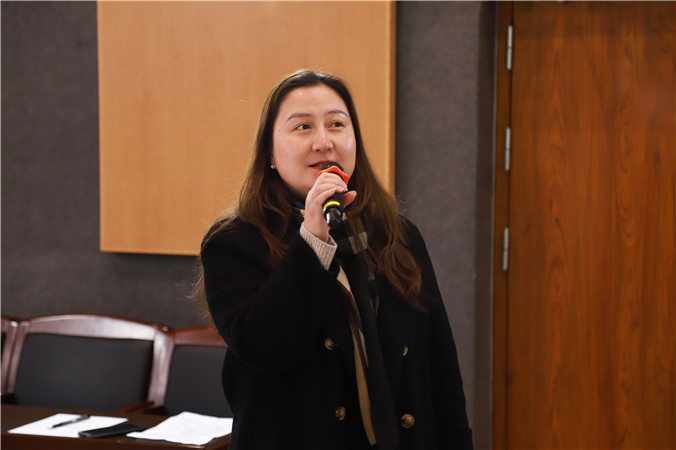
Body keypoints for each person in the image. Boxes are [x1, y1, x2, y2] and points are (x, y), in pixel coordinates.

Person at [194, 69, 473, 450]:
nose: (323, 142)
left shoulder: (397, 235)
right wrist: (312, 240)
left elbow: (440, 370)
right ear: (270, 153)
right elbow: (264, 347)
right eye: (303, 127)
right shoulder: (234, 243)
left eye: (337, 124)